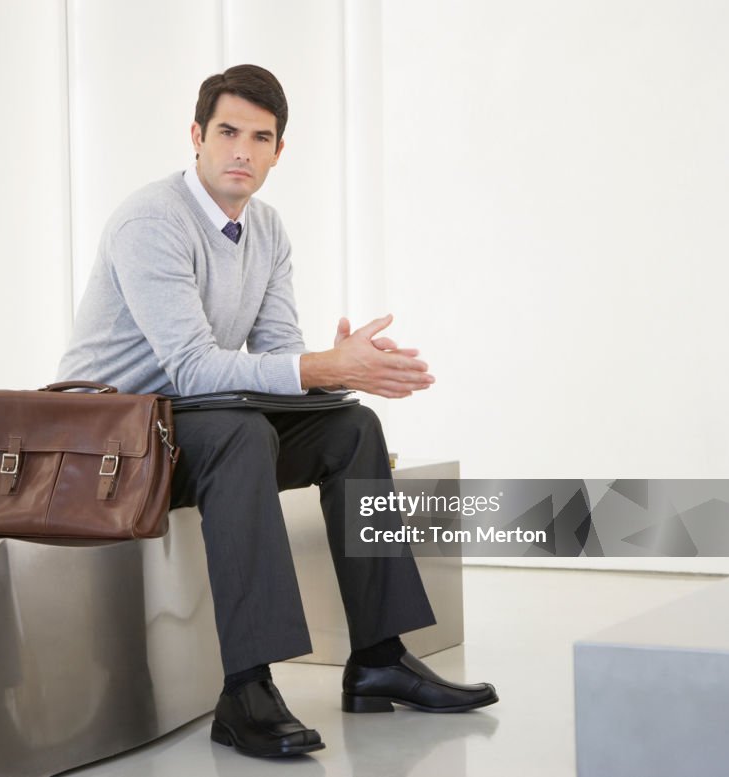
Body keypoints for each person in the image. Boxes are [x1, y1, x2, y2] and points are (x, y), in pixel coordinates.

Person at [56, 64, 497, 758]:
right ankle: (246, 689)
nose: (242, 151)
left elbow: (280, 357)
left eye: (261, 138)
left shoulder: (266, 228)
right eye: (227, 131)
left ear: (278, 152)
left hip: (187, 421)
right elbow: (195, 366)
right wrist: (319, 367)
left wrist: (339, 364)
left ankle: (380, 656)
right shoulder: (151, 221)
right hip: (115, 441)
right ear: (196, 137)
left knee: (351, 427)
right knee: (240, 433)